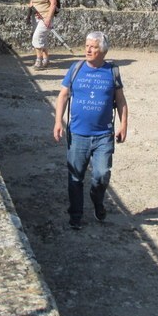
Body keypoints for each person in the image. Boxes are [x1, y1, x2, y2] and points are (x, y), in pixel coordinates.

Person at [53, 31, 128, 230]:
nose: (88, 49)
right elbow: (63, 96)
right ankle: (75, 215)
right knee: (75, 176)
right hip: (78, 134)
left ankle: (97, 200)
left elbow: (120, 100)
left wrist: (124, 125)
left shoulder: (112, 71)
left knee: (102, 175)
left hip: (104, 135)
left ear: (102, 51)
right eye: (87, 45)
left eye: (93, 46)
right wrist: (58, 122)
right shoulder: (75, 68)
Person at [27, 0, 57, 69]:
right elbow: (33, 0)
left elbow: (53, 3)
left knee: (36, 38)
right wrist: (30, 7)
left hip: (45, 18)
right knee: (42, 39)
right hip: (35, 17)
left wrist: (48, 18)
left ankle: (38, 60)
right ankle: (46, 60)